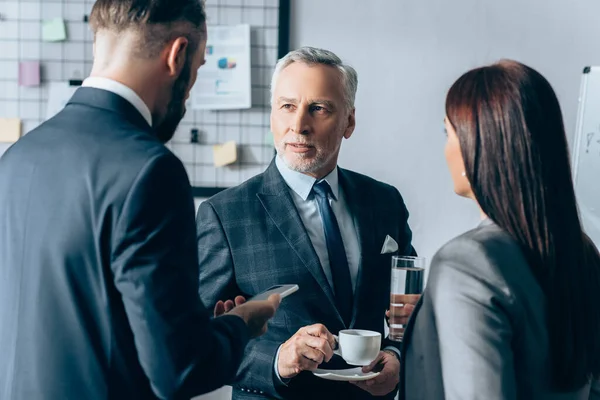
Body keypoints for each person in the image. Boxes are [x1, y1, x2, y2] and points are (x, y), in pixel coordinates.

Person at [0, 1, 280, 399]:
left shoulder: (16, 157)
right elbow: (179, 371)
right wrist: (241, 324)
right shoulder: (150, 171)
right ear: (177, 54)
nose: (187, 97)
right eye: (198, 70)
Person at [196, 46, 416, 399]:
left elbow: (407, 300)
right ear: (272, 115)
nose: (299, 125)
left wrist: (396, 355)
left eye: (318, 108)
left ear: (349, 121)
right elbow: (195, 341)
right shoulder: (225, 215)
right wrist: (277, 360)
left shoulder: (384, 202)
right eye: (287, 106)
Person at [397, 60, 600, 400]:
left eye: (448, 133)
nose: (446, 148)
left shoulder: (465, 262)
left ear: (477, 145)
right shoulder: (582, 252)